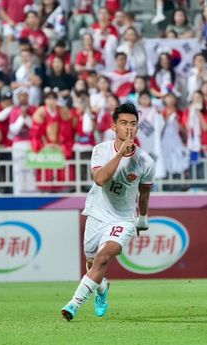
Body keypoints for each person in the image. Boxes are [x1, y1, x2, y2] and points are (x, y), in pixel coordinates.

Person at [61, 102, 155, 321]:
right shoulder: (100, 150)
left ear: (138, 128)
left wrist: (143, 217)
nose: (129, 128)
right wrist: (120, 154)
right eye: (123, 123)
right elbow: (100, 179)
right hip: (97, 213)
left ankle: (73, 304)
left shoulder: (146, 162)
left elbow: (144, 193)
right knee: (92, 263)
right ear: (114, 127)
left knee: (104, 257)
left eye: (133, 124)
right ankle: (102, 288)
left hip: (122, 220)